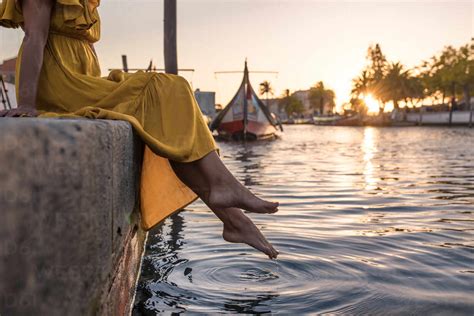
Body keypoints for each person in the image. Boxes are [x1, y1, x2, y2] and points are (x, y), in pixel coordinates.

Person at [0, 0, 279, 259]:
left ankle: (233, 220)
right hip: (62, 80)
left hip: (83, 77)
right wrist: (26, 103)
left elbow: (85, 44)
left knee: (165, 119)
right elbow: (34, 36)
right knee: (171, 88)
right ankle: (226, 194)